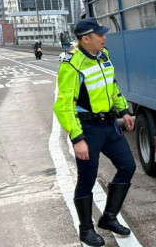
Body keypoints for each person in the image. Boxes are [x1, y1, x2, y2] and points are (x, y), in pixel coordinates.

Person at [53, 17, 136, 247]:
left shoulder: (103, 55)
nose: (104, 37)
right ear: (85, 39)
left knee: (128, 166)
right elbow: (64, 104)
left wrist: (123, 111)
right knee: (87, 179)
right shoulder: (72, 64)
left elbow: (112, 85)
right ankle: (86, 230)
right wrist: (77, 138)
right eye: (100, 34)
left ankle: (108, 218)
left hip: (109, 125)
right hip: (88, 129)